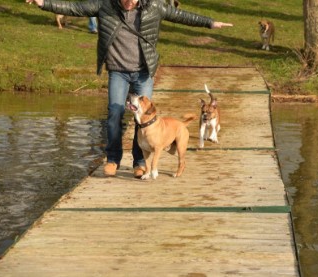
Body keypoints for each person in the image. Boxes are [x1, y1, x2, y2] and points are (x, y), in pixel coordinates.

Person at [26, 0, 233, 178]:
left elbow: (181, 15)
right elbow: (77, 7)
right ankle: (113, 160)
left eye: (132, 0)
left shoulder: (154, 6)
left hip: (143, 71)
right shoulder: (106, 5)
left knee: (143, 119)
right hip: (118, 71)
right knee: (115, 112)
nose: (128, 3)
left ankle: (139, 163)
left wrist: (210, 23)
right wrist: (44, 3)